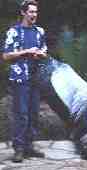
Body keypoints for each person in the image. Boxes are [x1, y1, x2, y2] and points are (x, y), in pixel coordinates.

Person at [2, 0, 48, 162]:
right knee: (21, 114)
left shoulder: (40, 32)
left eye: (36, 12)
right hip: (20, 78)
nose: (34, 15)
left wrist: (41, 55)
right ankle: (19, 149)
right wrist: (26, 52)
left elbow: (45, 52)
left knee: (34, 113)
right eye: (31, 12)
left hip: (35, 78)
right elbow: (6, 56)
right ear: (23, 12)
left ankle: (29, 146)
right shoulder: (14, 32)